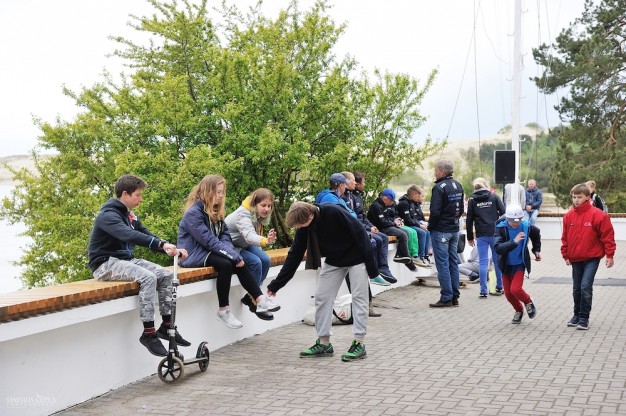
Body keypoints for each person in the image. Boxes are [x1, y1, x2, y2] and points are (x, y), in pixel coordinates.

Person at [88, 174, 190, 357]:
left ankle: (167, 325)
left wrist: (169, 248)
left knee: (166, 275)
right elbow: (128, 235)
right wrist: (161, 245)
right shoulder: (108, 216)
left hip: (125, 261)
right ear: (125, 194)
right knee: (148, 278)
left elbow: (144, 233)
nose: (141, 199)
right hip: (105, 264)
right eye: (138, 195)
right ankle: (149, 333)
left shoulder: (128, 215)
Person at [266, 202, 378, 361]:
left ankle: (359, 343)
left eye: (301, 225)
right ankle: (324, 343)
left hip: (357, 258)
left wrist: (372, 270)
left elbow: (360, 233)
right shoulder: (304, 226)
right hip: (334, 261)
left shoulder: (332, 211)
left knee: (359, 298)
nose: (300, 228)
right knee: (322, 297)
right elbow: (295, 254)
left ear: (310, 217)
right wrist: (276, 284)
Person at [177, 175, 276, 329]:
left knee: (237, 261)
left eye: (222, 192)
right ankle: (224, 310)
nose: (221, 195)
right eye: (218, 192)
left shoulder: (216, 210)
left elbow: (224, 235)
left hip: (207, 250)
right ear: (207, 191)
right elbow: (208, 240)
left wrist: (232, 254)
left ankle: (259, 299)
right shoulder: (194, 213)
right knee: (227, 264)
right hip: (193, 254)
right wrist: (232, 255)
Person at [561, 183, 615, 330]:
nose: (576, 200)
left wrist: (610, 255)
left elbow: (608, 236)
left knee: (585, 286)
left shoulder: (599, 215)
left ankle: (584, 318)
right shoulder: (568, 216)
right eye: (574, 197)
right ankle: (576, 315)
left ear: (587, 197)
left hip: (592, 258)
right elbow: (565, 238)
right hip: (575, 258)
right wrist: (565, 254)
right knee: (576, 289)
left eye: (579, 197)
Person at [224, 188, 280, 313]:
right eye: (263, 205)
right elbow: (249, 235)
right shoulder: (243, 214)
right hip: (230, 246)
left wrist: (264, 243)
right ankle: (256, 299)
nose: (267, 209)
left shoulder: (257, 214)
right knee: (255, 262)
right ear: (255, 204)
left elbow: (252, 237)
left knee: (265, 260)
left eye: (269, 206)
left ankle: (250, 298)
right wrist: (266, 241)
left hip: (244, 243)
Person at [494, 204, 541, 324]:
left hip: (520, 263)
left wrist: (536, 250)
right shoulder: (501, 228)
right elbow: (498, 248)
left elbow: (536, 234)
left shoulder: (526, 226)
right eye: (512, 221)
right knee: (508, 294)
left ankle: (528, 301)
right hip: (506, 265)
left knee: (515, 289)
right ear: (507, 218)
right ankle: (519, 310)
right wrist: (514, 242)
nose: (515, 224)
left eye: (518, 221)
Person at [428, 160, 465, 308]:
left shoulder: (439, 187)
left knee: (442, 264)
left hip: (441, 231)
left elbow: (435, 211)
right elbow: (461, 209)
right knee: (453, 263)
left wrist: (431, 227)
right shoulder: (458, 185)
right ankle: (455, 296)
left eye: (436, 170)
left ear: (442, 172)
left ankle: (446, 297)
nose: (434, 172)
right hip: (454, 229)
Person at [466, 177, 506, 298]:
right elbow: (504, 214)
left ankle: (483, 290)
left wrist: (470, 237)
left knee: (483, 262)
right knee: (497, 260)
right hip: (495, 234)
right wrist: (500, 227)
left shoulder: (472, 200)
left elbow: (469, 220)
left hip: (481, 234)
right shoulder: (494, 197)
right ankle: (499, 287)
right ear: (485, 186)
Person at [367, 188, 419, 272]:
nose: (392, 203)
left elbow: (390, 217)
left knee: (406, 232)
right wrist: (394, 223)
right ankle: (407, 260)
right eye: (391, 200)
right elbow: (382, 222)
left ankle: (399, 255)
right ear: (385, 198)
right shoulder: (376, 206)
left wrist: (397, 220)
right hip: (380, 228)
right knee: (403, 235)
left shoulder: (387, 205)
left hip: (387, 226)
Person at [397, 185, 432, 268]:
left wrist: (421, 225)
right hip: (405, 225)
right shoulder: (404, 203)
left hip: (412, 224)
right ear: (414, 195)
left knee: (427, 232)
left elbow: (414, 218)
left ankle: (425, 255)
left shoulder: (411, 202)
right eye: (418, 196)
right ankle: (419, 256)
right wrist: (419, 225)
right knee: (422, 233)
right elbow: (407, 220)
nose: (419, 198)